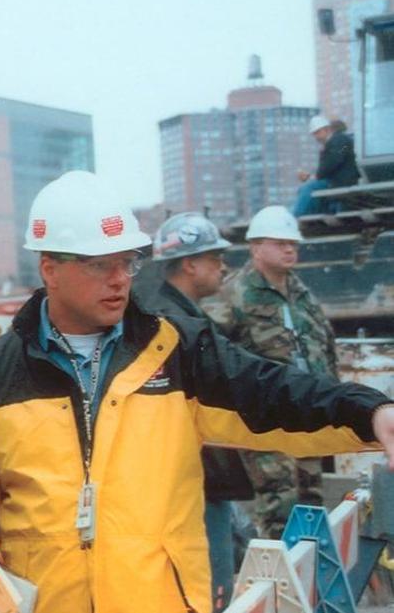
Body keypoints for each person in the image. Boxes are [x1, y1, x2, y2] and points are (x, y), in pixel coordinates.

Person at [0, 170, 394, 613]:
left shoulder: (175, 350)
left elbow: (271, 393)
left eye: (128, 261)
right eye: (100, 264)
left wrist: (369, 410)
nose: (120, 279)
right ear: (49, 269)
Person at [144, 212, 254, 612]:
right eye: (214, 258)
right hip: (192, 486)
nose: (223, 267)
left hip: (198, 480)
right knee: (206, 594)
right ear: (189, 264)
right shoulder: (171, 322)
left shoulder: (178, 315)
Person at [209, 205, 340, 540]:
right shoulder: (234, 294)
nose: (289, 249)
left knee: (311, 501)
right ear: (255, 247)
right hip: (265, 419)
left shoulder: (301, 292)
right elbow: (214, 353)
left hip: (307, 415)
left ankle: (309, 582)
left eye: (293, 244)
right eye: (280, 243)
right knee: (279, 504)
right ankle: (280, 585)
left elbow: (324, 345)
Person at [293, 115, 361, 216]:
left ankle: (298, 216)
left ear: (327, 130)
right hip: (334, 181)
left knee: (307, 188)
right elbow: (332, 162)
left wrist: (315, 176)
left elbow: (335, 159)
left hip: (339, 182)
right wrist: (312, 176)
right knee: (306, 189)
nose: (316, 137)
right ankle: (307, 215)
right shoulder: (334, 144)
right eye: (314, 134)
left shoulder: (341, 140)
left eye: (317, 133)